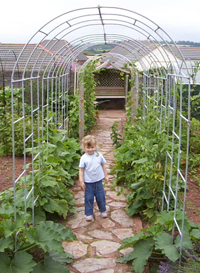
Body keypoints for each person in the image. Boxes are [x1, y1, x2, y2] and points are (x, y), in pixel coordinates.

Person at [79, 135, 109, 221]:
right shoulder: (83, 158)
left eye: (92, 147)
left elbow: (103, 165)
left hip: (98, 181)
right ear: (84, 148)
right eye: (88, 147)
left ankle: (103, 210)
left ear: (95, 146)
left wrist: (106, 176)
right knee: (88, 198)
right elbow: (81, 170)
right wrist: (81, 181)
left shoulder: (99, 155)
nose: (90, 149)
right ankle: (89, 213)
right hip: (88, 182)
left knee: (101, 197)